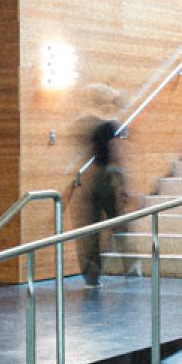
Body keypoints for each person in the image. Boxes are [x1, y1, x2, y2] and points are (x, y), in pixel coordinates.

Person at [76, 84, 127, 288]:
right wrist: (122, 184)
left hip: (94, 178)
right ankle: (131, 267)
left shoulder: (89, 121)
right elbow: (116, 153)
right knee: (118, 223)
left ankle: (92, 275)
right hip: (107, 178)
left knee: (93, 229)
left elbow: (87, 153)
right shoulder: (110, 124)